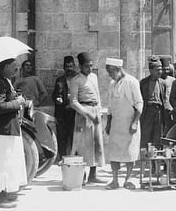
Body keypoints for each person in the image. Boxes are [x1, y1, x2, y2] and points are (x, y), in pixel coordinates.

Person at [0, 58, 28, 208]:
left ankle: (6, 191)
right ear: (4, 68)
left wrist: (17, 98)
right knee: (2, 163)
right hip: (2, 130)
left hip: (8, 128)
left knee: (9, 162)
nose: (16, 68)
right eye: (13, 66)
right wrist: (18, 102)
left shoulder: (6, 81)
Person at [104, 58, 143, 190]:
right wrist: (108, 123)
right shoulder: (112, 84)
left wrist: (135, 123)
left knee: (129, 152)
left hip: (129, 123)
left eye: (110, 71)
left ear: (117, 69)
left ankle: (128, 179)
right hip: (116, 123)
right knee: (114, 153)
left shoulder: (132, 82)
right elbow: (110, 106)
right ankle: (114, 180)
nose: (109, 74)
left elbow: (139, 104)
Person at [68, 52, 105, 183]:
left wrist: (98, 111)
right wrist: (87, 113)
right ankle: (81, 175)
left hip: (95, 112)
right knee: (82, 145)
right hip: (83, 114)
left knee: (96, 144)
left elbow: (97, 95)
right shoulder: (75, 80)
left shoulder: (94, 77)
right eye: (86, 66)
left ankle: (93, 175)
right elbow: (73, 102)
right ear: (80, 66)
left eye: (91, 66)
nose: (89, 69)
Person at [52, 55, 77, 158]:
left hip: (75, 113)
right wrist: (57, 99)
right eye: (67, 66)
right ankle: (62, 159)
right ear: (64, 67)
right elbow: (54, 94)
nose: (69, 69)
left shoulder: (78, 79)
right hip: (62, 114)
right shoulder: (60, 80)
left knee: (75, 138)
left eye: (71, 66)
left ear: (74, 66)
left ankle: (75, 160)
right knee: (62, 138)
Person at [139, 56, 166, 150]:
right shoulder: (143, 83)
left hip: (158, 112)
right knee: (145, 137)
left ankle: (156, 163)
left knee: (158, 137)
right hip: (147, 112)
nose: (160, 72)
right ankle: (145, 162)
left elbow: (165, 100)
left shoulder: (163, 83)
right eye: (157, 70)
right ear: (150, 70)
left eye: (161, 69)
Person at [160, 56, 176, 134]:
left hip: (170, 110)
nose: (166, 71)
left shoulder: (173, 80)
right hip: (160, 110)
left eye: (167, 69)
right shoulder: (157, 80)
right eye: (164, 69)